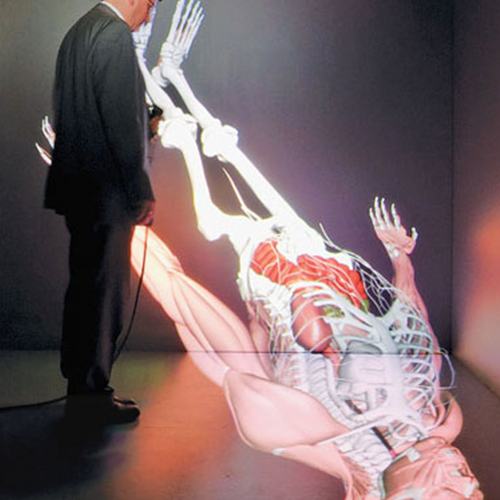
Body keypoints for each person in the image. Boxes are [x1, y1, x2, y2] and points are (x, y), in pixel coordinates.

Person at [44, 0, 160, 424]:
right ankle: (91, 398)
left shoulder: (80, 30)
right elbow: (119, 121)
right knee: (104, 294)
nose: (149, 14)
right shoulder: (113, 34)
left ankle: (83, 391)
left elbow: (79, 111)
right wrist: (140, 188)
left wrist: (142, 123)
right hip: (106, 192)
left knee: (86, 291)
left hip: (80, 189)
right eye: (151, 3)